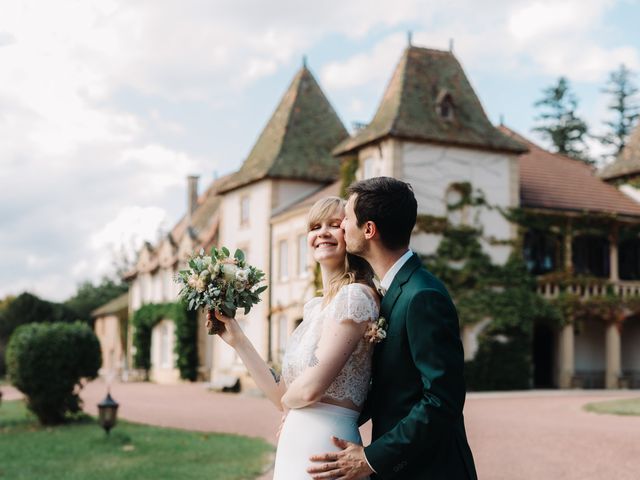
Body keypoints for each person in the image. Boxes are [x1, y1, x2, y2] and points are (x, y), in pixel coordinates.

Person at [308, 177, 477, 479]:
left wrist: (372, 459)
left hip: (431, 471)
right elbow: (393, 388)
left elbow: (441, 401)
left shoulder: (422, 296)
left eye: (346, 219)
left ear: (369, 230)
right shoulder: (386, 293)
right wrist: (323, 417)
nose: (341, 227)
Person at [208, 196, 380, 480]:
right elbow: (281, 396)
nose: (322, 232)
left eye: (334, 225)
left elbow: (309, 391)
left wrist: (294, 405)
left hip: (327, 448)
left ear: (350, 233)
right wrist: (237, 338)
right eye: (315, 226)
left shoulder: (355, 297)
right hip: (294, 447)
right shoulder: (315, 308)